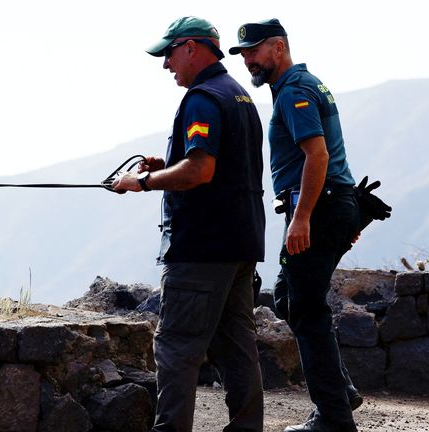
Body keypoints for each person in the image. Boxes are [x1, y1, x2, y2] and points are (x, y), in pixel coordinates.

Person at [112, 16, 265, 432]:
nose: (166, 65)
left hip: (201, 248)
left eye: (169, 54)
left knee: (177, 348)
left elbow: (200, 171)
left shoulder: (202, 98)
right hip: (241, 244)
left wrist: (141, 181)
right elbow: (221, 164)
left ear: (192, 47)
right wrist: (168, 164)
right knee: (238, 348)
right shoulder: (239, 97)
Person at [230, 19, 361, 432]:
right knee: (290, 297)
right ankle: (341, 392)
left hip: (318, 206)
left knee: (304, 307)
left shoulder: (294, 92)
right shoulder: (306, 84)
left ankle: (334, 418)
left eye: (253, 51)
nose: (248, 60)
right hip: (332, 204)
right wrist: (345, 213)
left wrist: (303, 217)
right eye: (243, 53)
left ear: (279, 47)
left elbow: (317, 156)